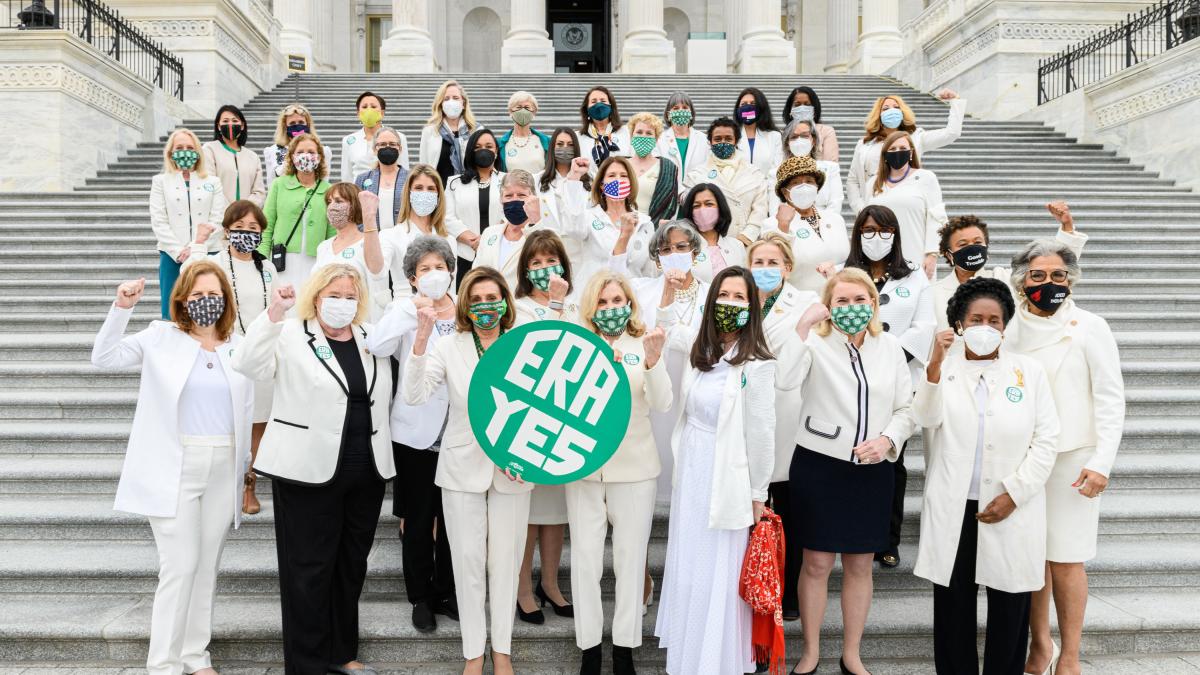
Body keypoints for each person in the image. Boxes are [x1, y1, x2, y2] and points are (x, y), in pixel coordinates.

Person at [231, 264, 396, 675]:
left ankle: (342, 652)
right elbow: (249, 365)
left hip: (366, 469)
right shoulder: (289, 333)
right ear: (316, 296)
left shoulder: (369, 337)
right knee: (308, 568)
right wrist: (272, 313)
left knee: (351, 563)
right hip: (306, 470)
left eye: (350, 296)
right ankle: (306, 664)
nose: (343, 303)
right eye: (334, 294)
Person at [92, 262, 253, 675]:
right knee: (179, 566)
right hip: (175, 465)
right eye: (197, 295)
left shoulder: (238, 343)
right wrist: (121, 308)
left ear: (226, 299)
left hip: (224, 463)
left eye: (213, 294)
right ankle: (162, 664)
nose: (206, 302)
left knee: (205, 567)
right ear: (182, 299)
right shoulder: (161, 337)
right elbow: (104, 357)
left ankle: (196, 656)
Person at [914, 278, 1060, 675]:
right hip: (954, 506)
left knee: (1011, 606)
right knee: (953, 606)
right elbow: (924, 419)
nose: (985, 326)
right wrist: (932, 368)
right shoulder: (943, 369)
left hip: (1011, 506)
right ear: (959, 323)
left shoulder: (1028, 371)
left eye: (994, 320)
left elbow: (1047, 439)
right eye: (976, 318)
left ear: (1005, 325)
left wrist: (1015, 493)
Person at [787, 268, 916, 675]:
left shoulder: (890, 346)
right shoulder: (814, 344)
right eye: (841, 301)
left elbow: (906, 408)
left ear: (873, 303)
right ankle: (810, 651)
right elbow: (783, 379)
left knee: (860, 564)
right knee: (817, 563)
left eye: (860, 300)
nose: (852, 308)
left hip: (872, 468)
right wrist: (803, 327)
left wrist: (889, 440)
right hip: (819, 464)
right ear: (829, 305)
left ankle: (851, 653)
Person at [403, 267, 532, 675]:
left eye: (492, 297)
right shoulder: (449, 346)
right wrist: (422, 340)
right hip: (461, 468)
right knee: (468, 563)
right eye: (475, 300)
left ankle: (503, 653)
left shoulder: (524, 344)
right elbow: (414, 394)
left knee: (506, 563)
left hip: (513, 468)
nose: (484, 306)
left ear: (506, 301)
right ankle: (474, 654)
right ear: (464, 304)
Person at [1004, 240, 1125, 675]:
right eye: (1038, 276)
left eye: (1058, 276)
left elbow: (1111, 399)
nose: (1049, 283)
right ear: (1022, 281)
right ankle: (1040, 646)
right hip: (1023, 458)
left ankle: (1070, 654)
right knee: (1033, 557)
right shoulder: (1009, 327)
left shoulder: (1090, 326)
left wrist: (1101, 463)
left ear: (1070, 279)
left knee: (1067, 559)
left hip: (1074, 459)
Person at [654, 266, 777, 675]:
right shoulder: (700, 350)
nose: (730, 303)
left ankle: (716, 659)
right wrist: (671, 290)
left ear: (751, 306)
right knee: (690, 561)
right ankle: (689, 653)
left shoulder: (756, 362)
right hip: (692, 467)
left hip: (730, 476)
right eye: (723, 294)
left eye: (739, 297)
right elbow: (667, 326)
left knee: (718, 568)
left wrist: (759, 492)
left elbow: (761, 433)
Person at [570, 271, 670, 675]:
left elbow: (662, 403)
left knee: (630, 563)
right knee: (585, 562)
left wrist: (653, 360)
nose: (612, 309)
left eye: (618, 301)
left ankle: (625, 649)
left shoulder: (641, 343)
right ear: (591, 308)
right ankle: (590, 649)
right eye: (603, 302)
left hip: (635, 469)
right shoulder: (575, 346)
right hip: (584, 470)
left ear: (629, 304)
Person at [365, 236, 460, 634]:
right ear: (412, 278)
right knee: (419, 520)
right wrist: (412, 310)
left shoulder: (466, 307)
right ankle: (420, 596)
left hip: (459, 431)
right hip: (415, 432)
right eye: (425, 269)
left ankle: (447, 591)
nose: (434, 275)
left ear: (452, 272)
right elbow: (376, 343)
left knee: (454, 520)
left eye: (440, 267)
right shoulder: (402, 308)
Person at [844, 204, 935, 568]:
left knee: (892, 464)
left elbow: (924, 328)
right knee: (849, 455)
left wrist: (886, 354)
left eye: (883, 231)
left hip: (900, 383)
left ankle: (887, 538)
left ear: (895, 235)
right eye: (867, 231)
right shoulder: (843, 273)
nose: (875, 238)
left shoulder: (914, 278)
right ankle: (850, 532)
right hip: (849, 381)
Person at [183, 200, 279, 515]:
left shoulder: (266, 267)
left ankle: (249, 482)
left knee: (259, 422)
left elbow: (275, 309)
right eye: (239, 228)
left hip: (262, 353)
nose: (246, 234)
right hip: (227, 352)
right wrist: (198, 243)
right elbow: (188, 276)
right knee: (232, 421)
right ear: (227, 231)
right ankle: (231, 483)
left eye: (254, 229)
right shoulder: (217, 263)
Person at [747, 233, 822, 622]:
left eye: (772, 262)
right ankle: (755, 588)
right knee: (753, 510)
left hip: (790, 413)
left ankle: (789, 592)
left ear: (788, 267)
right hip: (748, 416)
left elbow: (805, 355)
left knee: (789, 511)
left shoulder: (806, 302)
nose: (764, 269)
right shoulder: (738, 300)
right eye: (757, 262)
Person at [508, 229, 577, 626]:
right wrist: (553, 304)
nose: (543, 268)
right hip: (527, 421)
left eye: (550, 260)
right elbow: (540, 350)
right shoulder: (516, 308)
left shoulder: (577, 306)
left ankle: (550, 583)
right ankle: (522, 589)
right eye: (535, 263)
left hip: (564, 421)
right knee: (529, 515)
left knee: (555, 513)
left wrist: (561, 304)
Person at [932, 203, 1087, 331]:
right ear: (949, 254)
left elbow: (1052, 266)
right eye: (963, 244)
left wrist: (1067, 228)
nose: (972, 248)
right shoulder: (933, 294)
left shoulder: (1004, 279)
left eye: (978, 242)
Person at [150, 128, 228, 318]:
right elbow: (159, 220)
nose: (185, 151)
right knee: (172, 309)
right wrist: (179, 251)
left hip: (208, 252)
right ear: (171, 152)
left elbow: (217, 219)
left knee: (208, 306)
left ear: (197, 152)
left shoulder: (213, 181)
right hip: (173, 255)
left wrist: (196, 248)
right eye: (180, 147)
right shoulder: (160, 181)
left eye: (189, 147)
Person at [848, 89, 964, 214]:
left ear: (902, 112)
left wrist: (955, 101)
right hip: (873, 204)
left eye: (896, 107)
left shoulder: (916, 138)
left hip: (907, 202)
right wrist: (860, 208)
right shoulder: (864, 144)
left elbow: (952, 133)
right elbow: (853, 179)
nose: (892, 111)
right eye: (885, 108)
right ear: (878, 115)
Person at [559, 155, 656, 284]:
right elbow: (573, 229)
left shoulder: (644, 223)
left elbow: (650, 272)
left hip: (633, 297)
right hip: (596, 296)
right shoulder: (590, 217)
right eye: (611, 176)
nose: (618, 180)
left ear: (631, 183)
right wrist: (574, 177)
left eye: (623, 176)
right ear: (602, 186)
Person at [865, 131, 947, 279]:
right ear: (885, 155)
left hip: (916, 257)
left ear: (911, 153)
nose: (898, 152)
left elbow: (937, 218)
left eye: (903, 148)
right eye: (893, 149)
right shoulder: (872, 183)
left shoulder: (926, 178)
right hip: (880, 260)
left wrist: (932, 254)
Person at [763, 156, 849, 295]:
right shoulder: (772, 224)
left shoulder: (835, 219)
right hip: (799, 304)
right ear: (785, 192)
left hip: (839, 299)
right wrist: (783, 227)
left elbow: (848, 259)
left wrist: (836, 270)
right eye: (796, 183)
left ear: (817, 187)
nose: (804, 187)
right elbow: (774, 267)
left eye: (809, 181)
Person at [259, 133, 333, 290]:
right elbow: (267, 225)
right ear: (292, 157)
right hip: (284, 261)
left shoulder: (328, 189)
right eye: (300, 152)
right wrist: (262, 259)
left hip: (317, 261)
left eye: (311, 152)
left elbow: (332, 232)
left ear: (320, 157)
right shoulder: (279, 185)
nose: (306, 156)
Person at [681, 117, 769, 245]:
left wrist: (745, 238)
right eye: (717, 139)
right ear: (710, 142)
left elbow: (760, 210)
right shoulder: (696, 175)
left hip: (745, 244)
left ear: (736, 141)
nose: (723, 142)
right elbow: (691, 211)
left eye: (728, 139)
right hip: (708, 244)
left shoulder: (754, 174)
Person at [378, 164, 458, 305]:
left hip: (441, 313)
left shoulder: (449, 239)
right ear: (409, 193)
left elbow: (451, 286)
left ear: (439, 196)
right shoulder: (390, 235)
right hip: (405, 311)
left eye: (431, 189)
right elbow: (377, 272)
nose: (425, 193)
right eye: (419, 188)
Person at [444, 128, 504, 286]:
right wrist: (474, 242)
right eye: (478, 147)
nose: (484, 151)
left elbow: (510, 215)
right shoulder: (453, 182)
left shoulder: (508, 180)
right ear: (471, 151)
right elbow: (447, 218)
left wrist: (489, 241)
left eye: (489, 146)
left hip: (500, 251)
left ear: (496, 151)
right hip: (465, 255)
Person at [471, 169, 544, 292]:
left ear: (533, 198)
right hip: (491, 305)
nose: (514, 200)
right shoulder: (489, 233)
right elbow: (476, 273)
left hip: (524, 306)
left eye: (521, 195)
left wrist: (535, 221)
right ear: (501, 199)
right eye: (508, 196)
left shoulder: (542, 232)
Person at [536, 127, 592, 267]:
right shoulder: (536, 180)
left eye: (570, 145)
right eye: (560, 144)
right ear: (552, 147)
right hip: (547, 253)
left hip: (580, 253)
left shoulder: (590, 182)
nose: (565, 148)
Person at [312, 183, 385, 288]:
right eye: (329, 202)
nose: (332, 206)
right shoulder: (323, 246)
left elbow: (378, 273)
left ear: (354, 206)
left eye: (338, 201)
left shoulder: (369, 242)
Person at [679, 183, 745, 283]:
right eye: (696, 206)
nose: (702, 210)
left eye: (709, 204)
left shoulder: (737, 246)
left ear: (720, 208)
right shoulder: (682, 247)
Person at [418, 79, 480, 186]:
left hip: (469, 192)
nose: (451, 102)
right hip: (439, 192)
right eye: (446, 98)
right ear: (441, 104)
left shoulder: (476, 131)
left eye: (455, 98)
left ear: (463, 103)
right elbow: (423, 166)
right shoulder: (430, 131)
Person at [202, 104, 265, 206]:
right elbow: (209, 184)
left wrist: (244, 210)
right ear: (218, 126)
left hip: (246, 216)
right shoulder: (209, 150)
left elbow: (259, 192)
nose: (230, 124)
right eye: (225, 121)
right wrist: (230, 212)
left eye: (235, 121)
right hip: (218, 215)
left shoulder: (253, 157)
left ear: (242, 125)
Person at [779, 117, 843, 215]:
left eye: (804, 136)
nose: (799, 140)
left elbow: (835, 203)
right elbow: (777, 208)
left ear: (813, 140)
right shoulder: (776, 173)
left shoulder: (831, 169)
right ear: (787, 143)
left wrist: (821, 224)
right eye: (794, 137)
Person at [625, 112, 680, 226]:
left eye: (649, 133)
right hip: (620, 228)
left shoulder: (668, 168)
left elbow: (670, 205)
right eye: (639, 132)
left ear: (656, 139)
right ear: (631, 136)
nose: (643, 136)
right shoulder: (620, 165)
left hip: (652, 230)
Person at [342, 91, 408, 182]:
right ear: (358, 113)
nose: (369, 110)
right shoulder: (348, 141)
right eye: (364, 107)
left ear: (382, 113)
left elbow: (404, 170)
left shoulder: (399, 137)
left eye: (373, 107)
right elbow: (346, 176)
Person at [353, 126, 410, 231]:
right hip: (373, 240)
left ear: (400, 149)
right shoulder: (362, 179)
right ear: (375, 149)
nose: (387, 147)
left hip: (403, 240)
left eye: (392, 144)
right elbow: (356, 214)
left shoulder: (411, 178)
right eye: (382, 144)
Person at [264, 104, 326, 190]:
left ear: (307, 124)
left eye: (301, 122)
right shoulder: (273, 150)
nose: (297, 126)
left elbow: (324, 178)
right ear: (285, 127)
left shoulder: (322, 150)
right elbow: (271, 181)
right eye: (292, 123)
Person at [656, 91, 709, 179]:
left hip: (696, 190)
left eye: (685, 107)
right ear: (668, 114)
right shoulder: (659, 140)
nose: (681, 110)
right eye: (676, 108)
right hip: (669, 191)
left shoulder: (704, 140)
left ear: (691, 113)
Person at [733, 87, 784, 177]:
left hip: (766, 188)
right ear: (738, 109)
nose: (748, 107)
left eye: (753, 104)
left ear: (761, 108)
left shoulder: (774, 136)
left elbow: (777, 168)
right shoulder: (731, 136)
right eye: (743, 104)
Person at [782, 85, 839, 162]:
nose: (802, 108)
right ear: (790, 109)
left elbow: (831, 162)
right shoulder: (783, 133)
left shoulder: (826, 131)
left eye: (807, 104)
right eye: (797, 104)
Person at [497, 90, 550, 175]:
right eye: (518, 107)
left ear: (534, 112)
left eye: (527, 107)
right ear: (510, 111)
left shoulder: (546, 141)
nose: (523, 111)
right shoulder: (501, 144)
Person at [578, 86, 630, 169]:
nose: (599, 104)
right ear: (587, 109)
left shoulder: (627, 132)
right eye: (593, 101)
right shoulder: (578, 137)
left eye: (603, 101)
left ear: (611, 106)